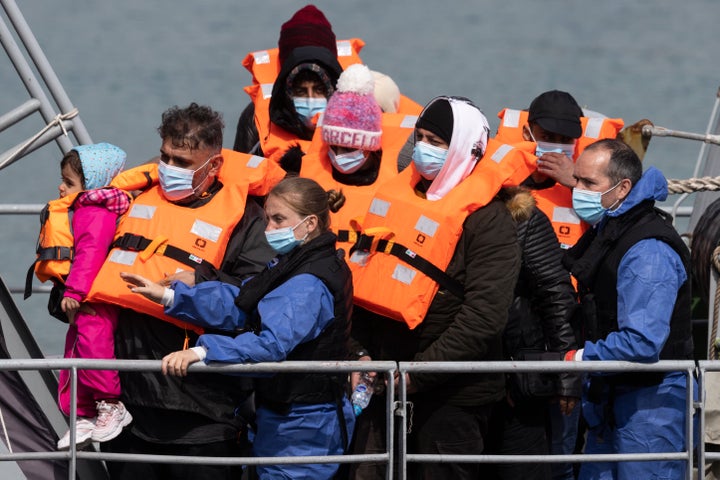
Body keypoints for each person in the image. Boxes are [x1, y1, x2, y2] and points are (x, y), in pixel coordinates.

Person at [86, 103, 284, 479]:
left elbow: (260, 297)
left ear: (213, 166)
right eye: (165, 157)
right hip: (129, 405)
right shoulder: (132, 201)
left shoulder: (247, 221)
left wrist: (202, 279)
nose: (169, 169)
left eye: (182, 161)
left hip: (203, 410)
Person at [347, 96, 536, 479]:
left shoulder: (489, 221)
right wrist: (359, 353)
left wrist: (419, 374)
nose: (423, 148)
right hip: (383, 381)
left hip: (453, 398)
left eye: (436, 140)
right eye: (419, 137)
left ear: (466, 148)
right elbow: (362, 279)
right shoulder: (396, 199)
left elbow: (485, 316)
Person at [121, 176, 355, 480]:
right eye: (268, 219)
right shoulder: (292, 264)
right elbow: (243, 301)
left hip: (306, 423)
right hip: (281, 415)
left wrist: (203, 351)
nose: (269, 229)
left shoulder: (307, 283)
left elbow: (271, 346)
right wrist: (170, 296)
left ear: (310, 224)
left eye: (278, 220)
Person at [562, 139, 696, 479]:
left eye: (589, 183)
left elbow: (643, 341)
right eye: (576, 180)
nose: (577, 190)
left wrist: (574, 360)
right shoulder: (610, 231)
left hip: (652, 404)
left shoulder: (647, 251)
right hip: (611, 395)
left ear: (622, 188)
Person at [33, 143, 132, 450]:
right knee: (76, 353)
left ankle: (110, 405)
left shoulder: (93, 212)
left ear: (92, 184)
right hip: (84, 297)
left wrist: (74, 290)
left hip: (92, 298)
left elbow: (90, 253)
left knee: (93, 348)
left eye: (70, 182)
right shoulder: (83, 210)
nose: (61, 187)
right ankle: (84, 414)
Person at [483, 197, 579, 480]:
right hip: (452, 383)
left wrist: (566, 375)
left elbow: (556, 296)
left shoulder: (524, 217)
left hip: (517, 382)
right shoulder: (437, 208)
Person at [300, 63, 414, 254]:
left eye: (348, 147)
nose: (339, 156)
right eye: (333, 147)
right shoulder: (301, 172)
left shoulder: (406, 172)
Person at [233, 5, 344, 171]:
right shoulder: (256, 118)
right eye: (300, 92)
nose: (311, 100)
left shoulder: (358, 117)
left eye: (319, 90)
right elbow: (240, 176)